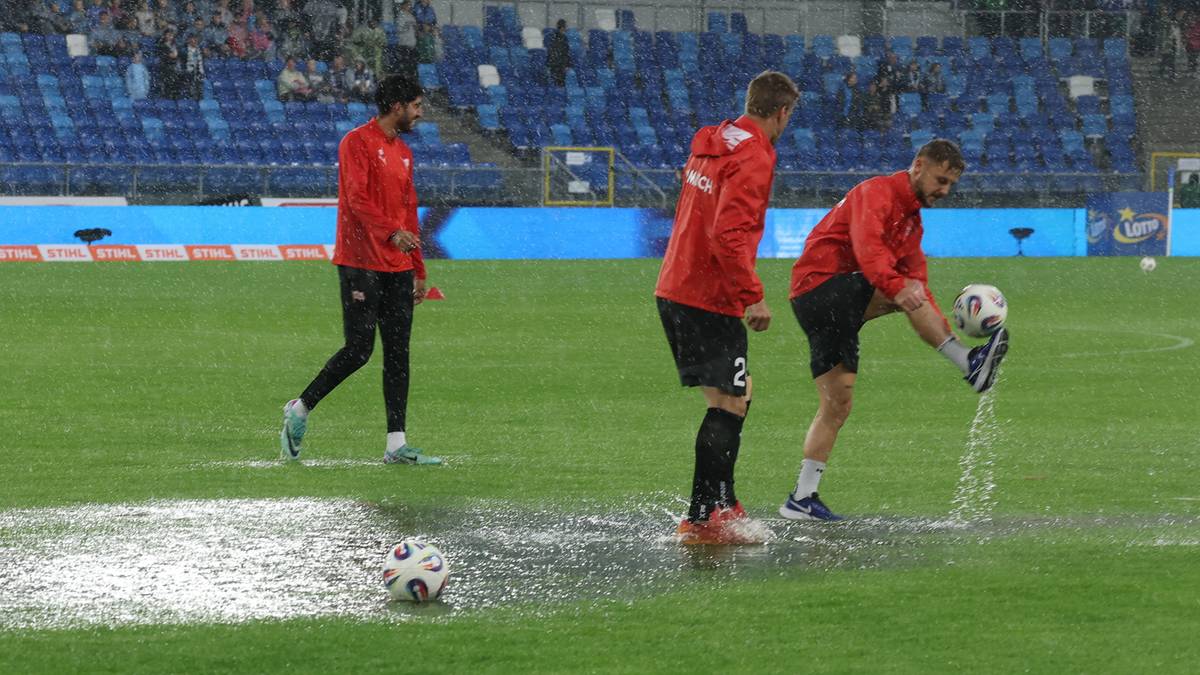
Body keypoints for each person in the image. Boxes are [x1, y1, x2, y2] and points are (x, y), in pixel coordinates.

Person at [779, 139, 1009, 522]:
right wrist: (902, 290)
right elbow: (870, 254)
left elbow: (920, 285)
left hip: (839, 308)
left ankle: (801, 499)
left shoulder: (911, 222)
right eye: (940, 179)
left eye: (950, 184)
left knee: (837, 404)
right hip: (819, 288)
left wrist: (939, 321)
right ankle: (968, 364)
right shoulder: (877, 193)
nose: (944, 191)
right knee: (905, 288)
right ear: (918, 165)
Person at [655, 70, 799, 545]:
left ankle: (721, 501)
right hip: (707, 295)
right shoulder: (753, 156)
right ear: (781, 112)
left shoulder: (715, 138)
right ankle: (702, 519)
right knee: (729, 402)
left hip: (677, 283)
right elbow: (728, 234)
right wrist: (751, 294)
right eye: (788, 116)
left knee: (739, 391)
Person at [280, 75, 440, 466]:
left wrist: (418, 267)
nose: (420, 113)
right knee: (359, 350)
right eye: (416, 105)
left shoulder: (403, 152)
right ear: (397, 105)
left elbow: (408, 209)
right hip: (359, 263)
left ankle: (396, 445)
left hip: (398, 265)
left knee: (399, 354)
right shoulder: (356, 142)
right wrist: (391, 233)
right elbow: (356, 198)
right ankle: (300, 409)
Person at [547, 19, 571, 87]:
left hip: (554, 64)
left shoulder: (553, 36)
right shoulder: (562, 38)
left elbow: (551, 51)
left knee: (554, 83)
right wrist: (567, 64)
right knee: (560, 84)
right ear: (563, 27)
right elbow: (565, 52)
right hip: (559, 65)